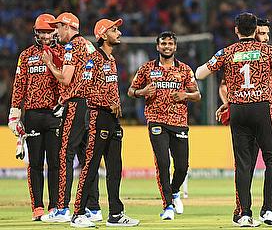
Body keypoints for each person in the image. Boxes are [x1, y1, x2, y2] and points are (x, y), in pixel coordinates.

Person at [196, 12, 272, 227]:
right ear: (255, 29)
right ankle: (270, 211)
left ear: (236, 30)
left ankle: (245, 214)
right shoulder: (266, 50)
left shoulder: (227, 52)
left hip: (237, 110)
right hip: (261, 108)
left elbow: (199, 73)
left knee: (243, 165)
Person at [216, 17, 272, 226]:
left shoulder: (269, 55)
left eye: (268, 34)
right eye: (261, 33)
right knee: (248, 164)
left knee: (264, 161)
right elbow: (226, 86)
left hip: (265, 114)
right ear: (252, 33)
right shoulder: (245, 55)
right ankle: (243, 211)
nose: (265, 38)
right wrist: (228, 103)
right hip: (252, 111)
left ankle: (265, 210)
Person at [68, 18, 140, 228]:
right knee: (90, 167)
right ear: (102, 34)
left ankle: (116, 214)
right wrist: (108, 103)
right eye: (114, 30)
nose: (119, 33)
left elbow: (110, 89)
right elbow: (84, 88)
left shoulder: (111, 60)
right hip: (97, 116)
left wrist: (114, 103)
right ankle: (78, 214)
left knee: (115, 168)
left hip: (111, 119)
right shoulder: (94, 58)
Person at [128, 31, 201, 221]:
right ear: (157, 47)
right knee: (162, 163)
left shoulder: (184, 69)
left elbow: (197, 95)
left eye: (170, 44)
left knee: (182, 167)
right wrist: (142, 91)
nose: (167, 46)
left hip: (179, 121)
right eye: (163, 44)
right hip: (156, 120)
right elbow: (131, 91)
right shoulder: (146, 68)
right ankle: (167, 205)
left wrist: (185, 95)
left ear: (175, 47)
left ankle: (175, 191)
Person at [40, 12, 101, 223]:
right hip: (91, 105)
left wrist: (49, 63)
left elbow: (65, 79)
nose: (55, 32)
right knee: (87, 158)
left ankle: (62, 208)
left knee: (65, 154)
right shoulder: (89, 45)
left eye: (57, 27)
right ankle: (93, 207)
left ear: (67, 27)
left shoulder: (72, 47)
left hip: (75, 103)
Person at [8, 13, 62, 221]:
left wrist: (64, 105)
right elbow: (19, 85)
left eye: (49, 31)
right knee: (36, 163)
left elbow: (67, 80)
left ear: (55, 32)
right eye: (42, 31)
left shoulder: (62, 53)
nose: (45, 35)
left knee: (56, 163)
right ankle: (38, 207)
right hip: (32, 115)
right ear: (36, 33)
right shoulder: (26, 55)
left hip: (55, 113)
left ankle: (55, 207)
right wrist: (14, 113)